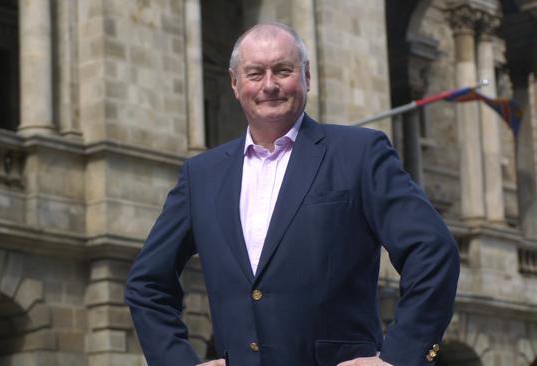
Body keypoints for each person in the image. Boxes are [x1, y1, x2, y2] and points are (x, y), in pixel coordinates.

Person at [125, 22, 459, 366]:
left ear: (307, 76)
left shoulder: (359, 153)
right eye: (255, 73)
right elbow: (146, 284)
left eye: (282, 70)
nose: (269, 85)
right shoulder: (201, 175)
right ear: (235, 83)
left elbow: (433, 251)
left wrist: (400, 357)